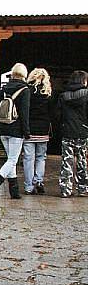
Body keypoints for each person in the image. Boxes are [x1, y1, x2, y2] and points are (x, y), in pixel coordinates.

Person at [0, 62, 30, 200]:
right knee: (12, 159)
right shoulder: (25, 90)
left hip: (3, 127)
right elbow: (24, 113)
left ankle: (14, 191)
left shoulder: (4, 88)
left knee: (10, 159)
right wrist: (26, 131)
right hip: (16, 129)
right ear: (24, 74)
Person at [57, 69, 88, 198]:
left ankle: (65, 189)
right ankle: (83, 188)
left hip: (67, 132)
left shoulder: (63, 96)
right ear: (84, 81)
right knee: (83, 161)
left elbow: (58, 115)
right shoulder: (87, 94)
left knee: (66, 161)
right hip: (83, 131)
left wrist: (62, 126)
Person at [22, 68, 52, 194]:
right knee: (41, 157)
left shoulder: (27, 91)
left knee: (28, 158)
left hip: (29, 129)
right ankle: (38, 180)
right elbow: (52, 112)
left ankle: (29, 186)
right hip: (43, 129)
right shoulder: (48, 92)